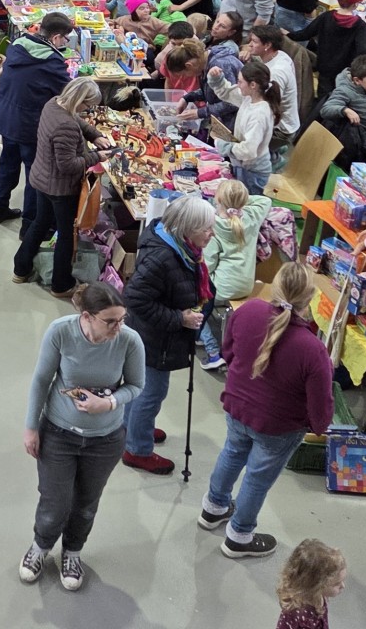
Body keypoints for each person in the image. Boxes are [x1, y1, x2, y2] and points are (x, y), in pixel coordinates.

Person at [198, 259, 335, 559]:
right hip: (278, 426)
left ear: (276, 286)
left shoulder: (247, 311)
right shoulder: (313, 349)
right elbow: (321, 404)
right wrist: (317, 427)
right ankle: (239, 536)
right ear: (310, 299)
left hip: (237, 406)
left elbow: (228, 352)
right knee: (257, 478)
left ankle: (213, 508)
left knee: (232, 453)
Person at [18, 279, 144, 591]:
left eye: (122, 319)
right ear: (86, 317)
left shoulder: (130, 341)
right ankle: (40, 546)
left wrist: (108, 403)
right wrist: (31, 427)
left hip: (105, 439)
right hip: (58, 434)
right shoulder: (61, 332)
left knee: (86, 503)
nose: (118, 327)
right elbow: (41, 380)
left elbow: (136, 385)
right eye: (110, 321)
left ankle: (72, 552)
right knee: (55, 501)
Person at [122, 195, 216, 474]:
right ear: (188, 228)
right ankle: (137, 449)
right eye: (207, 228)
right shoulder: (163, 257)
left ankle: (131, 428)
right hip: (154, 339)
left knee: (141, 390)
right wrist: (179, 318)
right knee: (151, 393)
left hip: (156, 337)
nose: (212, 234)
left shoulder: (181, 247)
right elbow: (134, 299)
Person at [12, 77, 111, 293]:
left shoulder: (54, 103)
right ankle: (61, 284)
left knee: (40, 222)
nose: (88, 110)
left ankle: (21, 268)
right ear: (79, 100)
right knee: (66, 234)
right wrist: (97, 157)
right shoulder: (65, 125)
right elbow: (67, 165)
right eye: (88, 105)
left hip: (42, 178)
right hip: (59, 188)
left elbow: (75, 119)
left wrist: (94, 135)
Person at [0, 13, 74, 225]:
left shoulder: (18, 45)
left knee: (8, 164)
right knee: (34, 174)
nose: (65, 43)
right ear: (56, 37)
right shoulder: (52, 63)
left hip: (7, 117)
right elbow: (68, 92)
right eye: (65, 39)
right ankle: (29, 224)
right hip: (29, 125)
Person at [200, 180, 270, 370]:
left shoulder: (213, 227)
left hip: (222, 288)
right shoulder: (253, 216)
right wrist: (240, 203)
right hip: (247, 284)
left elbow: (208, 265)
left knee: (190, 302)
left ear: (218, 200)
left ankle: (212, 351)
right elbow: (266, 201)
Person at [207, 59, 285, 194]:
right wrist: (217, 79)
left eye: (240, 82)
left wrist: (222, 145)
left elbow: (249, 151)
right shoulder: (249, 97)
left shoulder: (259, 115)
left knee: (244, 204)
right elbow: (227, 92)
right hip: (244, 167)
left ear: (253, 85)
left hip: (252, 173)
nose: (238, 85)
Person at [288, 0, 366, 100]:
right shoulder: (360, 25)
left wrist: (287, 35)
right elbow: (362, 51)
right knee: (340, 100)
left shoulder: (326, 17)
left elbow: (305, 34)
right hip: (345, 73)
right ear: (355, 4)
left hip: (325, 67)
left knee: (323, 98)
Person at [276, 539, 348, 629]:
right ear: (316, 585)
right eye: (336, 584)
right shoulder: (296, 613)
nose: (343, 586)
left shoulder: (319, 595)